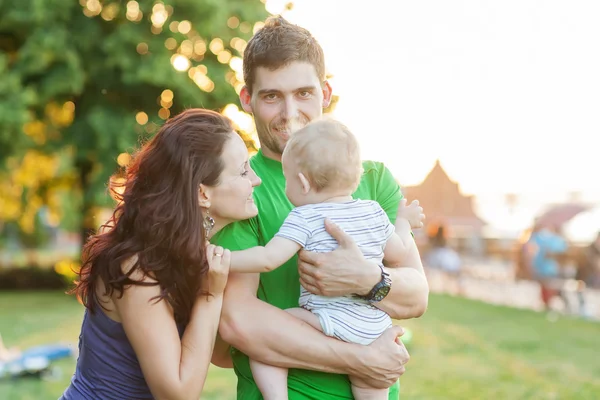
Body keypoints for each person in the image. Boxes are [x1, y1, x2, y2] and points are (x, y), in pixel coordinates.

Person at [213, 16, 429, 400]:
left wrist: (365, 279)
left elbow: (416, 296)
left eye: (304, 93)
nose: (290, 112)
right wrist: (359, 359)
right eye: (271, 96)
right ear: (247, 100)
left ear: (325, 92)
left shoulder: (373, 178)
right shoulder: (241, 188)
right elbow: (238, 321)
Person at [60, 109, 262, 399]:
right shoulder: (137, 266)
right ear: (203, 194)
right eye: (243, 171)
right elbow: (177, 394)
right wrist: (210, 296)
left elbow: (222, 355)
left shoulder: (187, 253)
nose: (256, 180)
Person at [227, 119, 425, 400]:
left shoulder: (304, 217)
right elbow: (398, 252)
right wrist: (404, 222)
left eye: (288, 179)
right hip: (371, 327)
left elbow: (269, 259)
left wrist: (224, 259)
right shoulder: (373, 211)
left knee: (264, 345)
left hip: (329, 320)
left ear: (303, 183)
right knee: (371, 390)